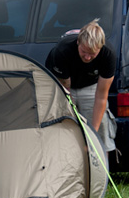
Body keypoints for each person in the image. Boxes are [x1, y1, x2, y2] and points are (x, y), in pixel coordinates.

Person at [44, 19, 118, 168]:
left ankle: (101, 175)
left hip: (91, 86)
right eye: (84, 52)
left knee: (101, 126)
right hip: (63, 86)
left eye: (92, 54)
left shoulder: (108, 54)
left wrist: (93, 136)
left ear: (100, 48)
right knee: (66, 127)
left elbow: (101, 96)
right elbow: (65, 91)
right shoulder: (62, 50)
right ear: (78, 42)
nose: (87, 57)